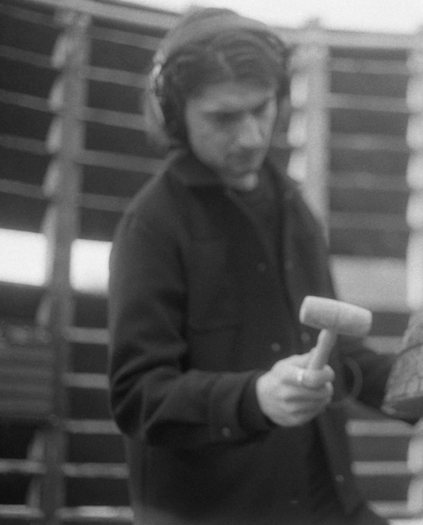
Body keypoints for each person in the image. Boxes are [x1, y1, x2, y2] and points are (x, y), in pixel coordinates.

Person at [107, 7, 396, 525]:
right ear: (174, 114)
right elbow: (138, 397)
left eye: (262, 109)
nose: (251, 137)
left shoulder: (295, 210)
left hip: (327, 505)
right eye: (223, 118)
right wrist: (255, 398)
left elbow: (342, 358)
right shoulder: (151, 226)